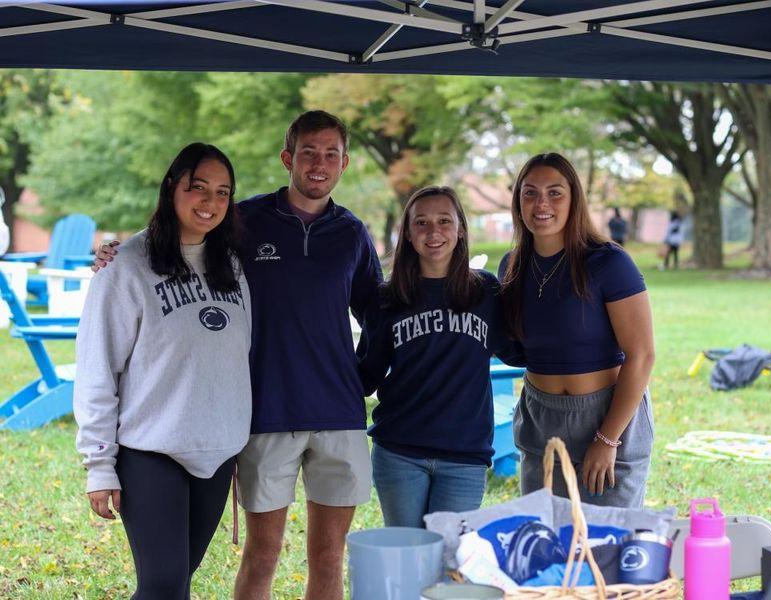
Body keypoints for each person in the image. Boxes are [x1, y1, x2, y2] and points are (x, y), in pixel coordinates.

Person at [93, 112, 381, 600]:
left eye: (331, 153)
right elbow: (180, 241)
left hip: (337, 414)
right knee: (260, 554)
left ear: (345, 163)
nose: (319, 163)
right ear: (287, 158)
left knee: (330, 556)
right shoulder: (243, 221)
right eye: (308, 151)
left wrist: (364, 379)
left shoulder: (352, 233)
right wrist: (115, 253)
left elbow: (378, 311)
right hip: (265, 413)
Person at [75, 143, 252, 599]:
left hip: (216, 454)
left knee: (175, 584)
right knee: (163, 585)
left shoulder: (231, 266)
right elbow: (97, 368)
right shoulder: (126, 266)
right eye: (198, 188)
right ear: (172, 187)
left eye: (222, 192)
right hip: (151, 450)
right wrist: (99, 465)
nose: (210, 202)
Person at [357, 186, 523, 528]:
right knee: (406, 554)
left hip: (465, 454)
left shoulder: (486, 291)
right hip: (400, 450)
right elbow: (366, 375)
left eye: (444, 221)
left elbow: (515, 351)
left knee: (451, 561)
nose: (434, 232)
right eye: (422, 222)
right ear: (407, 233)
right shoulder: (388, 297)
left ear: (460, 228)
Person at [499, 152, 655, 509]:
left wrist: (608, 438)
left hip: (605, 416)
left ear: (574, 200)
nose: (541, 203)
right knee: (546, 547)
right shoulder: (511, 266)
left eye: (555, 193)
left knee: (604, 551)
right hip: (541, 418)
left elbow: (642, 355)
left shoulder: (608, 262)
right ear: (518, 200)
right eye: (530, 192)